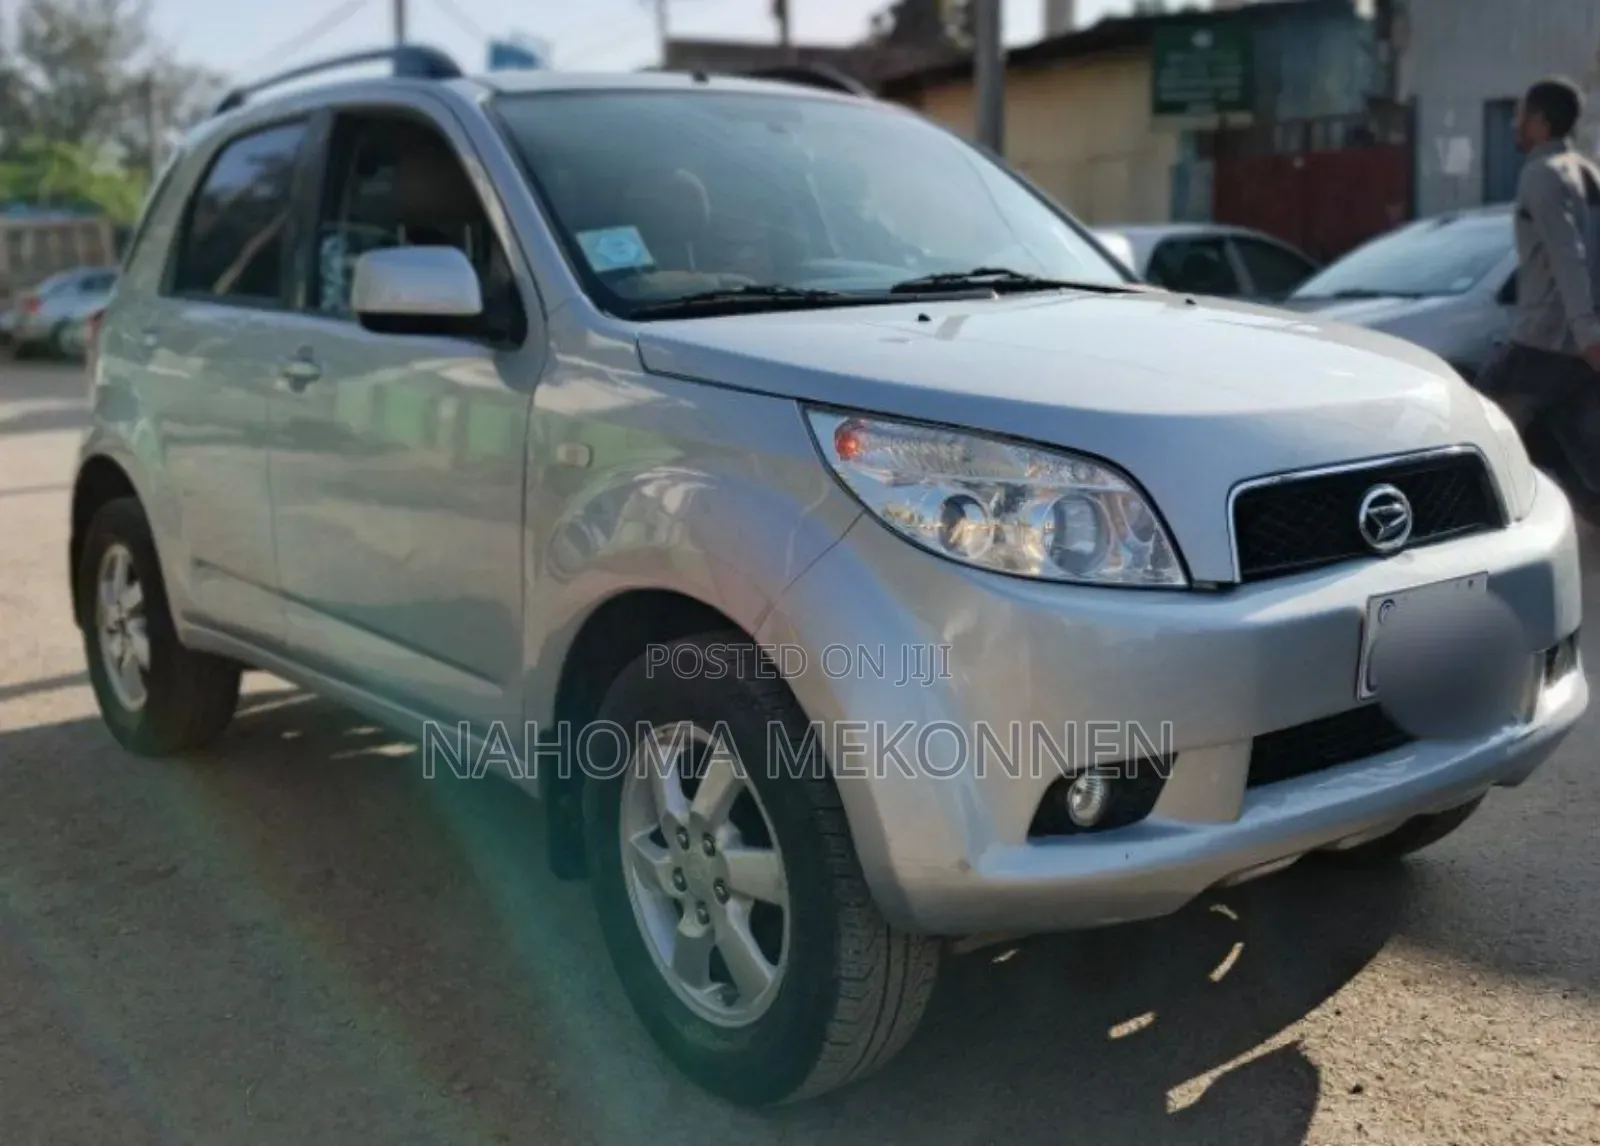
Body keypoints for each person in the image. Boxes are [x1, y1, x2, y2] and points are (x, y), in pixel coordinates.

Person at [1478, 76, 1600, 433]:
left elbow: (1567, 253)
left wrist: (1587, 335)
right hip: (1576, 349)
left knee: (1479, 423)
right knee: (1577, 451)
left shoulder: (1542, 173)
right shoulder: (1590, 172)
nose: (1515, 125)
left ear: (1540, 121)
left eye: (1521, 116)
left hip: (1543, 343)